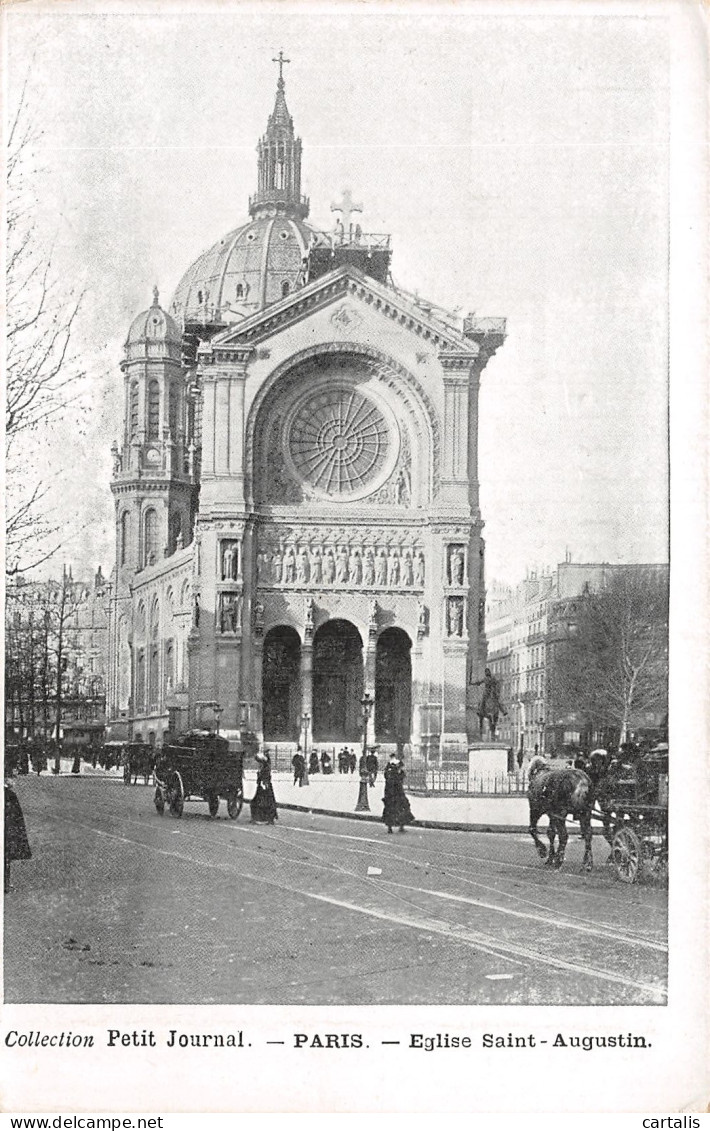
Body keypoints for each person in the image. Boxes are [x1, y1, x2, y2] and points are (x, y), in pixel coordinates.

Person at [4, 779, 31, 892]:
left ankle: (5, 884)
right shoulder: (9, 795)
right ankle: (5, 884)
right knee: (5, 857)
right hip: (6, 831)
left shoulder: (9, 795)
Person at [382, 754, 415, 834]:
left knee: (390, 808)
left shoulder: (388, 769)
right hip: (397, 792)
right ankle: (400, 826)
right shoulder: (397, 772)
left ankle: (391, 827)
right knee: (402, 807)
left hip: (390, 792)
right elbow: (401, 778)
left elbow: (386, 776)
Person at [250, 753, 278, 824]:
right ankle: (265, 818)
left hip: (264, 786)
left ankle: (263, 818)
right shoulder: (264, 767)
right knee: (264, 802)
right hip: (263, 786)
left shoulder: (265, 767)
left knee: (263, 803)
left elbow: (266, 776)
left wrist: (263, 783)